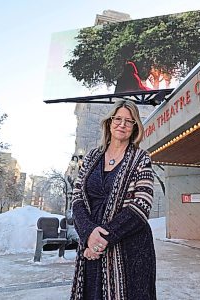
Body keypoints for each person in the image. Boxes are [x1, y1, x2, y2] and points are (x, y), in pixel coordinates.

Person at [70, 100, 156, 300]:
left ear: (135, 128)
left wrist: (101, 241)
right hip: (91, 248)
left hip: (130, 251)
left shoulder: (141, 158)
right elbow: (77, 199)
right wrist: (88, 233)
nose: (122, 124)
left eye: (129, 121)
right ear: (109, 122)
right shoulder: (92, 157)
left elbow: (141, 206)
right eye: (118, 118)